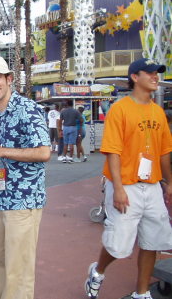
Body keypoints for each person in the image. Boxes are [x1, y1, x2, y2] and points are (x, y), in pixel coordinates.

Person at [85, 58, 172, 299]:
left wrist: (169, 182)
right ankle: (98, 270)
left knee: (152, 241)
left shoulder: (158, 112)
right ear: (135, 77)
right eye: (150, 73)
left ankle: (141, 293)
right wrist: (119, 188)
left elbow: (164, 151)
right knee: (119, 245)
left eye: (157, 73)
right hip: (126, 185)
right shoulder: (120, 109)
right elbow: (113, 151)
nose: (155, 77)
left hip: (152, 185)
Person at [0, 56, 51, 299]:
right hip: (2, 199)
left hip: (25, 201)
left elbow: (43, 152)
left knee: (19, 269)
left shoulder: (28, 109)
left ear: (9, 79)